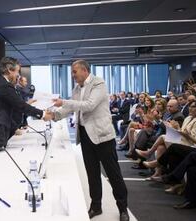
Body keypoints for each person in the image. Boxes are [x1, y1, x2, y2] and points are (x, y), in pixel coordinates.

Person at [46, 60, 129, 221]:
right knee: (92, 173)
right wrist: (54, 115)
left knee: (113, 174)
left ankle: (123, 208)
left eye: (74, 72)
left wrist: (63, 101)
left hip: (102, 136)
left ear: (85, 70)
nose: (72, 75)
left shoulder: (98, 83)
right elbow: (70, 108)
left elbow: (89, 105)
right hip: (85, 135)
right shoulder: (77, 88)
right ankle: (96, 206)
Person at [0, 57, 47, 164]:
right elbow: (21, 105)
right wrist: (43, 114)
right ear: (9, 70)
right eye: (17, 71)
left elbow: (5, 110)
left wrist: (14, 128)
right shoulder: (3, 85)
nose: (18, 75)